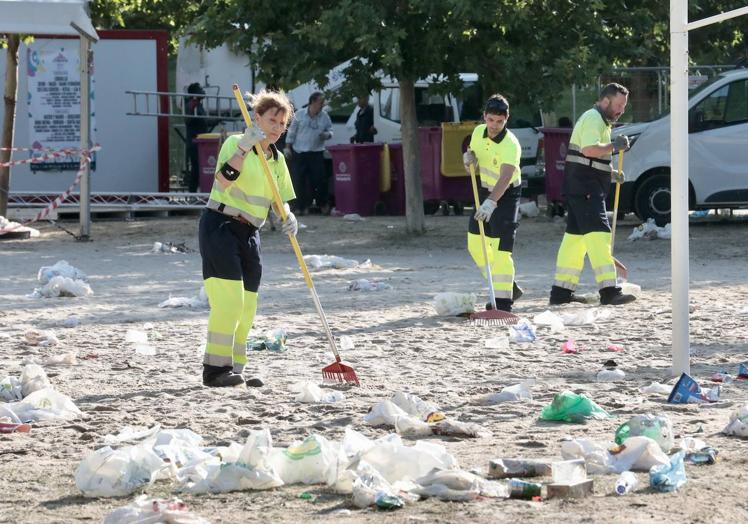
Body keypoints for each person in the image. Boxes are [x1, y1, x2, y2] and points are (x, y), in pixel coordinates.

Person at [199, 89, 297, 388]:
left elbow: (281, 198)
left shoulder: (277, 159)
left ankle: (236, 368)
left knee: (247, 307)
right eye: (272, 121)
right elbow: (224, 179)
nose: (278, 128)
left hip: (250, 233)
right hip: (220, 227)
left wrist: (289, 215)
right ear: (257, 118)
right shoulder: (235, 143)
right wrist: (243, 148)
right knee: (229, 302)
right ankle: (215, 370)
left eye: (283, 124)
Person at [549, 83, 633, 306]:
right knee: (599, 235)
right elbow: (589, 149)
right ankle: (609, 290)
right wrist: (614, 146)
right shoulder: (594, 119)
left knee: (574, 242)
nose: (621, 111)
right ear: (605, 101)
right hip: (586, 188)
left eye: (623, 107)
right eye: (618, 105)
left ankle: (561, 293)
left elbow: (588, 156)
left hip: (581, 186)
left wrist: (611, 173)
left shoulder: (599, 120)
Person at [463, 94, 523, 312]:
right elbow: (473, 162)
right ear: (484, 117)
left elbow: (506, 178)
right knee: (475, 242)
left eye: (500, 121)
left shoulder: (511, 144)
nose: (495, 126)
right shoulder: (478, 132)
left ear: (506, 119)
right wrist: (469, 161)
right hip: (485, 189)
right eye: (491, 120)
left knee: (500, 248)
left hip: (506, 194)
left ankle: (503, 301)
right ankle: (509, 286)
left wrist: (491, 203)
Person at [284, 92, 333, 215]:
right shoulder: (300, 114)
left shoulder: (324, 116)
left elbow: (330, 130)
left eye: (322, 103)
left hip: (316, 152)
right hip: (299, 152)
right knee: (298, 180)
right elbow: (291, 132)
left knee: (319, 180)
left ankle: (323, 205)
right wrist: (287, 147)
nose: (321, 105)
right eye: (319, 103)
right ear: (312, 102)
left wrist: (327, 135)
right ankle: (299, 207)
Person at [184, 83, 211, 192]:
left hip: (200, 142)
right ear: (195, 93)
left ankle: (197, 192)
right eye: (200, 89)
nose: (203, 92)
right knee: (196, 169)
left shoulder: (198, 105)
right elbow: (188, 120)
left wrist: (217, 120)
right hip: (194, 143)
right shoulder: (191, 104)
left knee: (200, 168)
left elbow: (204, 121)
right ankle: (192, 194)